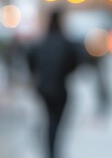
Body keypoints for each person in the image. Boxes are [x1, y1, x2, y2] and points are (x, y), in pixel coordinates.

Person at [27, 10, 78, 158]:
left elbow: (31, 60)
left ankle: (51, 151)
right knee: (54, 122)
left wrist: (37, 75)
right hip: (60, 90)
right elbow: (74, 64)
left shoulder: (41, 43)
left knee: (50, 120)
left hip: (44, 89)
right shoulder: (66, 44)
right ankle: (52, 152)